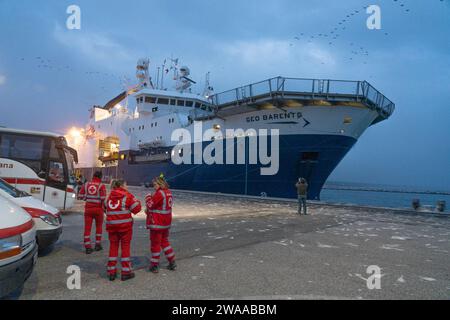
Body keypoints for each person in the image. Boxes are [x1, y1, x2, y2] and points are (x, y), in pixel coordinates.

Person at [104, 180, 141, 281]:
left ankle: (111, 272)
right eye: (126, 184)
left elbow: (105, 209)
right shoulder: (127, 196)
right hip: (125, 228)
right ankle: (126, 272)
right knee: (125, 248)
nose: (127, 186)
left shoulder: (108, 196)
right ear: (121, 186)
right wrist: (137, 200)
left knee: (113, 247)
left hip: (112, 227)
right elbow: (137, 209)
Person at [145, 175, 176, 273]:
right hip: (166, 222)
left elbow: (150, 204)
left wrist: (148, 197)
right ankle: (172, 261)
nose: (154, 187)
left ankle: (154, 265)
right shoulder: (168, 193)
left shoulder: (160, 193)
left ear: (160, 184)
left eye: (155, 185)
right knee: (165, 242)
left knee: (155, 244)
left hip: (157, 223)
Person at [77, 171, 106, 254]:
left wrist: (87, 198)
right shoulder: (101, 185)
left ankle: (88, 247)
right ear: (100, 177)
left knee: (87, 228)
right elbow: (103, 198)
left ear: (93, 176)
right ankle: (97, 245)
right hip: (98, 210)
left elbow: (80, 196)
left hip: (88, 209)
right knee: (99, 227)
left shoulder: (86, 184)